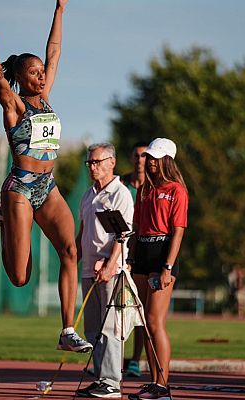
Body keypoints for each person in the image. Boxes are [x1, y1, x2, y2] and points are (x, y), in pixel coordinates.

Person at [0, 0, 92, 353]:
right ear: (22, 77)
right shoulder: (15, 105)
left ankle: (67, 330)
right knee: (19, 277)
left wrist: (59, 10)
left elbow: (54, 51)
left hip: (48, 186)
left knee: (71, 250)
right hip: (21, 189)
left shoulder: (46, 98)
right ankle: (3, 218)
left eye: (42, 71)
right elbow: (0, 85)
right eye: (34, 72)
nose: (41, 75)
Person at [126, 138, 188, 400]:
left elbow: (177, 231)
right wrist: (130, 256)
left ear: (167, 160)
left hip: (163, 254)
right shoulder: (144, 190)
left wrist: (168, 266)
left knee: (154, 320)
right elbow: (138, 227)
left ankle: (163, 385)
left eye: (154, 157)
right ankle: (153, 382)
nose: (149, 162)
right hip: (143, 253)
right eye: (148, 157)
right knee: (145, 321)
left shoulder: (177, 190)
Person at [75, 143, 134, 399]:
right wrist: (74, 257)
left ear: (112, 162)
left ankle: (112, 381)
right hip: (89, 270)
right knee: (93, 329)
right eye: (89, 162)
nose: (92, 167)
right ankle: (100, 378)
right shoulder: (88, 195)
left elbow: (122, 236)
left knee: (111, 327)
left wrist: (110, 266)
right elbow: (83, 231)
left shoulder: (120, 193)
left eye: (97, 162)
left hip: (110, 271)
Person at [120, 141, 148, 378]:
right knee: (118, 308)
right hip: (120, 251)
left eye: (144, 156)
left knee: (140, 310)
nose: (140, 160)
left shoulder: (153, 187)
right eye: (137, 155)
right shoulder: (121, 184)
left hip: (143, 253)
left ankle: (136, 360)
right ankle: (115, 357)